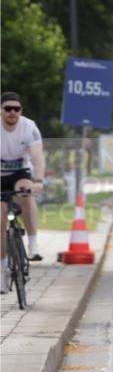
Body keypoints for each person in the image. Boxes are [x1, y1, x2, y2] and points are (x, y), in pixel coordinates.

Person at [1, 92, 45, 293]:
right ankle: (2, 271)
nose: (12, 113)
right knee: (0, 219)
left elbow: (37, 157)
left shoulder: (29, 127)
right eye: (7, 108)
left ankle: (33, 244)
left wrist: (39, 180)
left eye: (16, 109)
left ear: (21, 111)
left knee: (26, 193)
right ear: (1, 110)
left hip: (20, 172)